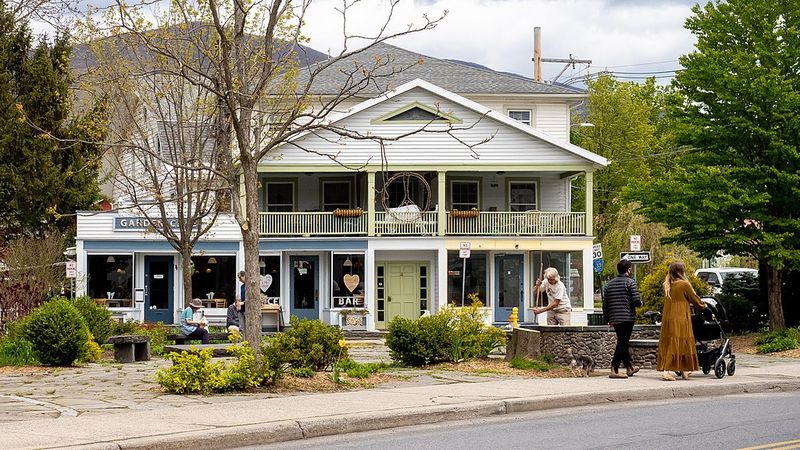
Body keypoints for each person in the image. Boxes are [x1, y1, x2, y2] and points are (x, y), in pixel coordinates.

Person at [656, 260, 706, 381]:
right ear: (681, 271)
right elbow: (694, 299)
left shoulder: (668, 284)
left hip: (668, 317)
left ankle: (684, 370)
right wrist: (703, 306)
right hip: (680, 318)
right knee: (681, 342)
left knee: (671, 342)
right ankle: (667, 370)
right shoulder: (684, 284)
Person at [602, 259, 643, 379]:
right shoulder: (630, 282)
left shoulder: (609, 284)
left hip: (615, 318)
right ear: (629, 269)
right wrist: (641, 303)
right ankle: (614, 368)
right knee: (622, 343)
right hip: (627, 317)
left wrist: (608, 318)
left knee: (622, 342)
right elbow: (635, 301)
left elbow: (605, 304)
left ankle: (629, 367)